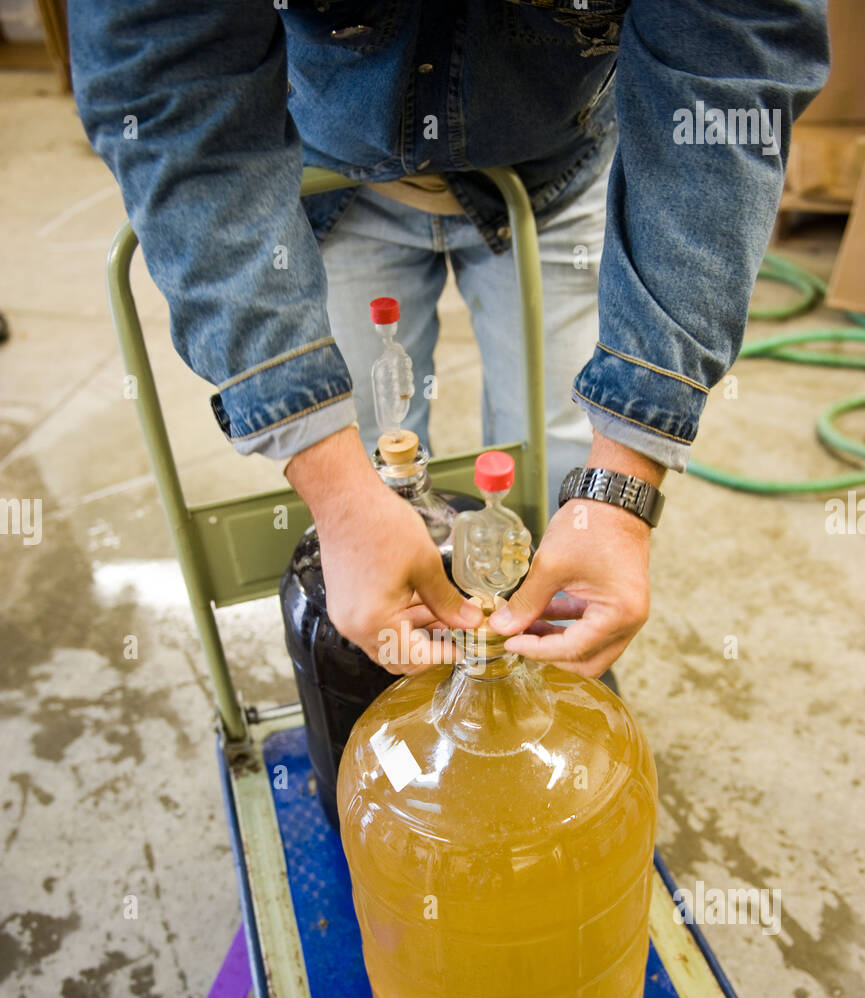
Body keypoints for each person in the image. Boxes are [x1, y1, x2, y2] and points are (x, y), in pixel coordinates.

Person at [68, 1, 827, 676]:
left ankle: (539, 663)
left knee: (566, 465)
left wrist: (622, 484)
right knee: (373, 473)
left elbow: (728, 67)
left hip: (554, 172)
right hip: (332, 174)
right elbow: (169, 83)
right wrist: (336, 494)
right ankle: (412, 677)